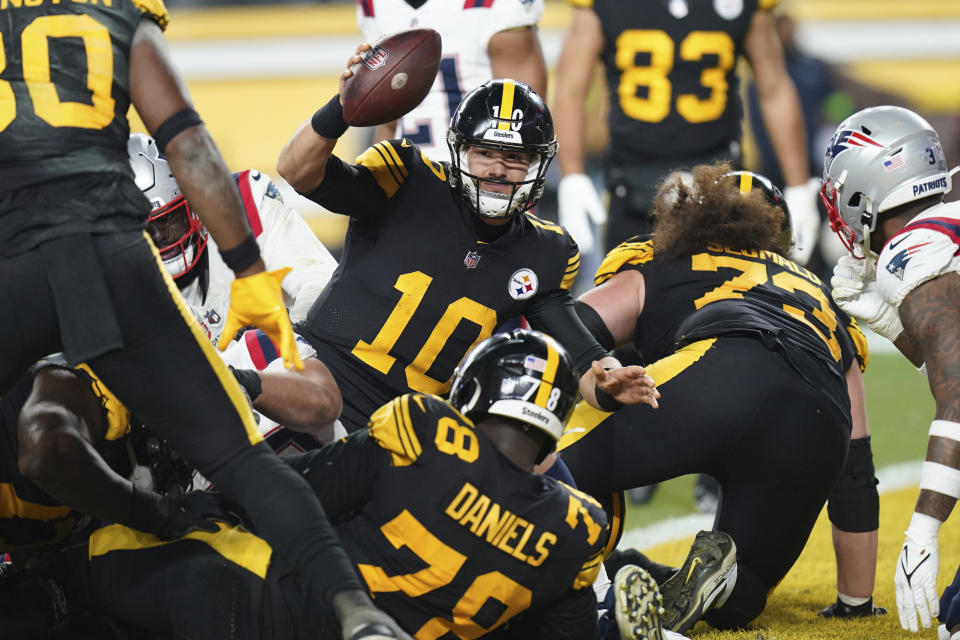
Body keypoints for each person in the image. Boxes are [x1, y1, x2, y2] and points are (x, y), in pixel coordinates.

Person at [0, 2, 404, 637]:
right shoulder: (115, 19)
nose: (164, 240)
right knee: (214, 454)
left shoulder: (250, 203)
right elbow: (186, 138)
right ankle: (354, 612)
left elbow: (326, 385)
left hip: (35, 246)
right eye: (149, 228)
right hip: (100, 273)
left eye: (166, 220)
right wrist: (248, 270)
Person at [15, 330, 619, 640]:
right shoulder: (579, 533)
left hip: (272, 608)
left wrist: (179, 511)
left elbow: (288, 493)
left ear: (475, 394)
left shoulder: (428, 430)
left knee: (80, 569)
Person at [556, 164, 879, 631]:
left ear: (687, 222)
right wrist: (855, 601)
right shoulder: (819, 295)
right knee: (741, 595)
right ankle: (711, 580)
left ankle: (588, 580)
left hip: (726, 364)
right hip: (818, 417)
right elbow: (855, 469)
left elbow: (568, 332)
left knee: (556, 465)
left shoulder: (665, 260)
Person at [277, 65, 659, 434]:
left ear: (538, 165)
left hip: (407, 429)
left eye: (515, 158)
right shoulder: (407, 179)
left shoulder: (545, 252)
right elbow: (297, 170)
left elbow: (584, 358)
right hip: (317, 374)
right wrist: (342, 107)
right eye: (486, 152)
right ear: (459, 150)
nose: (497, 169)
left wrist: (612, 383)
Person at [822, 105, 960, 634]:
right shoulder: (943, 230)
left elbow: (958, 396)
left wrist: (923, 529)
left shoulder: (912, 248)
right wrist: (890, 323)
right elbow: (949, 359)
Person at [552, 0, 820, 264]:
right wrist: (572, 177)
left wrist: (798, 187)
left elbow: (773, 88)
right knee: (630, 297)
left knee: (726, 300)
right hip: (634, 181)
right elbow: (571, 89)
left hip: (720, 183)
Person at [128, 132, 338, 344]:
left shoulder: (243, 202)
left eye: (171, 221)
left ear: (193, 202)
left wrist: (281, 346)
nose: (163, 240)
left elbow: (321, 287)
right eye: (147, 231)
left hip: (293, 365)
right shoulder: (119, 282)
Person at [358, 0, 547, 164]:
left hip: (479, 182)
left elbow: (526, 124)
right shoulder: (377, 6)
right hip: (404, 178)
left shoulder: (498, 6)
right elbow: (390, 124)